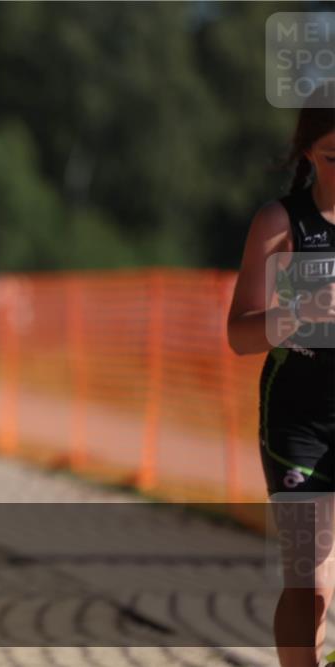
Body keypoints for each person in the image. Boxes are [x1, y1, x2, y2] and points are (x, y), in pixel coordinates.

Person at [227, 88, 335, 667]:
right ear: (308, 152)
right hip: (298, 421)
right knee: (310, 587)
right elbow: (239, 333)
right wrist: (300, 313)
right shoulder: (281, 223)